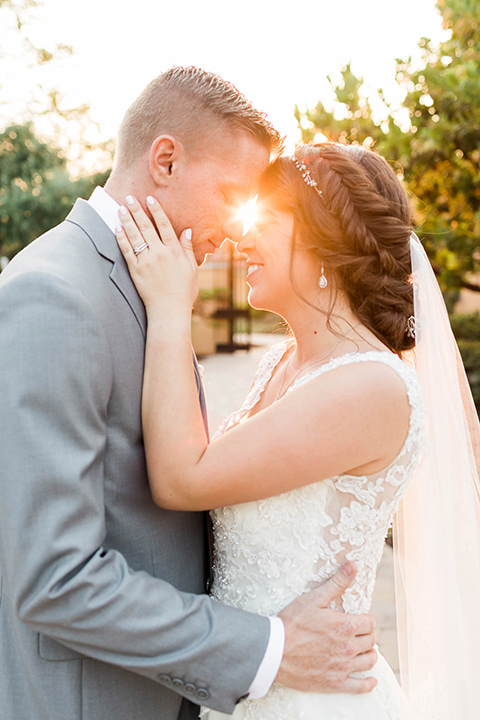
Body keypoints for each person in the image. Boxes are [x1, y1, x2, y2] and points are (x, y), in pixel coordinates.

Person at [0, 69, 378, 720]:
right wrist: (268, 649)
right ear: (166, 159)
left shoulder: (151, 280)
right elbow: (53, 580)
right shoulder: (57, 295)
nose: (237, 230)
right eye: (231, 195)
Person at [117, 139, 480, 719]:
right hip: (254, 684)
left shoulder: (370, 387)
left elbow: (183, 478)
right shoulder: (284, 364)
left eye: (267, 218)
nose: (241, 238)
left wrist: (168, 310)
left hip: (312, 702)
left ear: (321, 242)